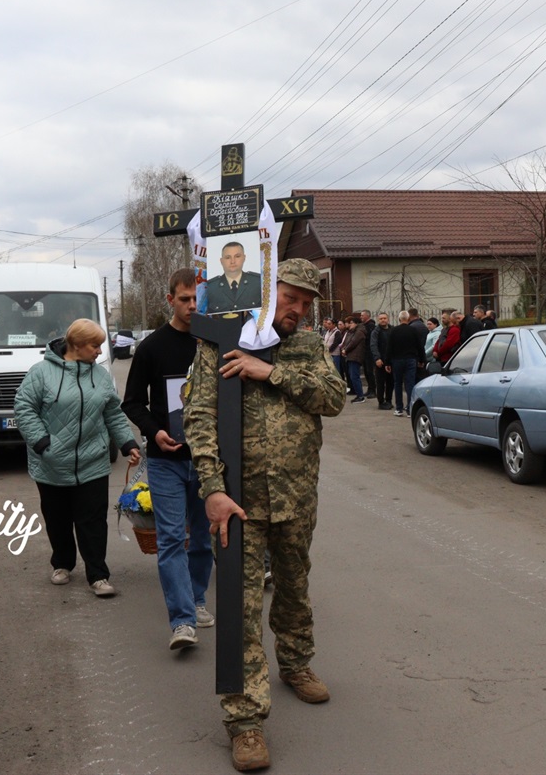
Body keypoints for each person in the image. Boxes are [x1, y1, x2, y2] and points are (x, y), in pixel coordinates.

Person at [186, 259, 345, 772]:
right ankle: (245, 720)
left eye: (306, 301)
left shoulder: (309, 345)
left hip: (298, 497)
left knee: (296, 586)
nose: (298, 308)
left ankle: (296, 665)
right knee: (239, 606)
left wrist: (272, 372)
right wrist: (211, 488)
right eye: (290, 296)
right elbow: (199, 416)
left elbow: (335, 399)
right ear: (266, 289)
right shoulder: (219, 341)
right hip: (239, 503)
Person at [121, 269, 215, 651]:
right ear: (170, 300)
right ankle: (182, 621)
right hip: (165, 459)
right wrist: (154, 430)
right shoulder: (152, 348)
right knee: (173, 538)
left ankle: (196, 597)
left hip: (207, 459)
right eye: (184, 299)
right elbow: (131, 401)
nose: (192, 306)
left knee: (204, 538)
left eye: (196, 299)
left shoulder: (212, 342)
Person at [14, 319, 141, 597]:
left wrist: (127, 443)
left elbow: (112, 413)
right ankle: (62, 563)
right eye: (95, 346)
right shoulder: (41, 373)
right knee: (58, 518)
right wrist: (43, 444)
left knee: (93, 520)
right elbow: (24, 409)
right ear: (76, 346)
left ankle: (98, 575)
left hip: (92, 461)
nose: (99, 351)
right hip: (51, 462)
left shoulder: (100, 375)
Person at [206, 241, 262, 314]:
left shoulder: (258, 282)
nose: (232, 261)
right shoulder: (210, 288)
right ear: (221, 261)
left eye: (237, 256)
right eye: (228, 257)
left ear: (244, 258)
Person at [387, 310, 424, 416]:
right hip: (411, 359)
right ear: (408, 319)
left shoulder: (393, 331)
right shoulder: (413, 330)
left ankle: (399, 408)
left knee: (397, 383)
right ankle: (410, 408)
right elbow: (419, 346)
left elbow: (389, 347)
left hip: (397, 360)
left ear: (399, 319)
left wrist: (387, 363)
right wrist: (421, 360)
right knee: (410, 383)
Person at [339, 314, 366, 404]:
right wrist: (344, 349)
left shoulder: (359, 332)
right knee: (352, 376)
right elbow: (348, 341)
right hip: (351, 356)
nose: (349, 325)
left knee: (354, 376)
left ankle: (360, 396)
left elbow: (353, 342)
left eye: (351, 323)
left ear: (355, 323)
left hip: (355, 356)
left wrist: (345, 350)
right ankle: (359, 395)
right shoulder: (352, 331)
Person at [368, 312, 392, 410]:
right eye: (381, 318)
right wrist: (377, 358)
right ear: (378, 320)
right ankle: (381, 402)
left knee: (390, 382)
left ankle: (389, 400)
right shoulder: (376, 331)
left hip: (390, 361)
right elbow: (373, 345)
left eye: (384, 318)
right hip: (380, 361)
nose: (383, 320)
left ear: (388, 319)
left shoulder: (392, 330)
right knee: (380, 382)